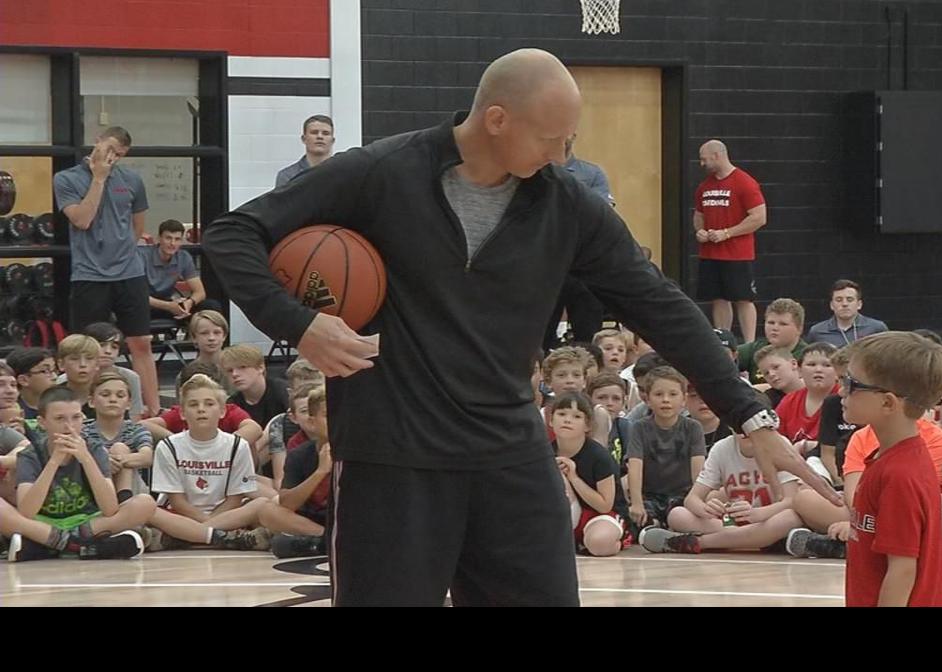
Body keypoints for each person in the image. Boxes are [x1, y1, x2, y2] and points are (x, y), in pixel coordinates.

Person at [203, 48, 837, 607]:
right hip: (393, 458)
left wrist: (749, 414)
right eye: (552, 138)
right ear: (496, 118)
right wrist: (300, 322)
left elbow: (660, 303)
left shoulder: (567, 205)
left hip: (508, 452)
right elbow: (234, 233)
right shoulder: (382, 172)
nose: (564, 154)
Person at [53, 126, 160, 416]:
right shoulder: (66, 179)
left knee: (141, 342)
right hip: (89, 273)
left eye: (119, 155)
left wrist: (126, 251)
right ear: (97, 142)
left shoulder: (132, 180)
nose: (113, 158)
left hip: (129, 271)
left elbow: (137, 226)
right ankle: (85, 410)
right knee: (88, 348)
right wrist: (99, 178)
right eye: (110, 150)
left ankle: (152, 410)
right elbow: (82, 219)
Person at [694, 139, 766, 343]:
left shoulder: (744, 182)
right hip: (710, 253)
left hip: (737, 253)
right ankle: (722, 338)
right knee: (718, 297)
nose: (702, 164)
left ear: (717, 155)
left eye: (704, 159)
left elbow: (759, 217)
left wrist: (727, 233)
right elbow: (699, 215)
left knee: (743, 298)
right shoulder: (704, 187)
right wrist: (700, 231)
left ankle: (749, 342)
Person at [276, 115, 335, 187]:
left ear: (332, 141)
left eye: (325, 133)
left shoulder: (344, 174)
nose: (320, 136)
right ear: (304, 139)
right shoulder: (288, 176)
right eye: (314, 132)